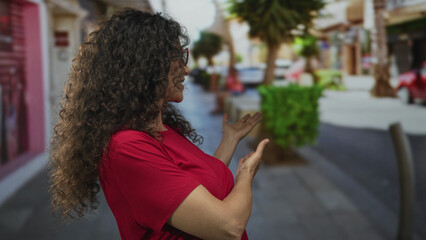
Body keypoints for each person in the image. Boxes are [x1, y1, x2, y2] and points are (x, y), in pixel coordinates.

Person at [49, 9, 269, 240]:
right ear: (144, 66)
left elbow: (198, 182)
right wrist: (246, 174)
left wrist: (230, 139)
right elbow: (229, 227)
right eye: (177, 58)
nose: (186, 69)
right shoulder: (127, 148)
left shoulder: (160, 129)